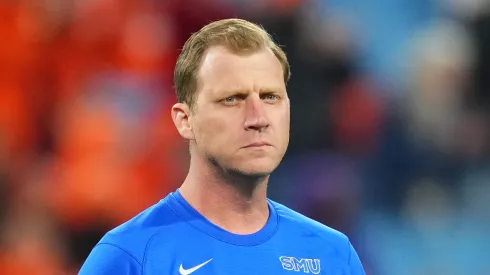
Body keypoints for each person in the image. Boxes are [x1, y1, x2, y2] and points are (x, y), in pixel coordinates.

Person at [78, 18, 366, 275]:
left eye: (270, 97)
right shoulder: (130, 256)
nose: (258, 118)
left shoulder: (332, 255)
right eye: (232, 99)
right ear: (185, 120)